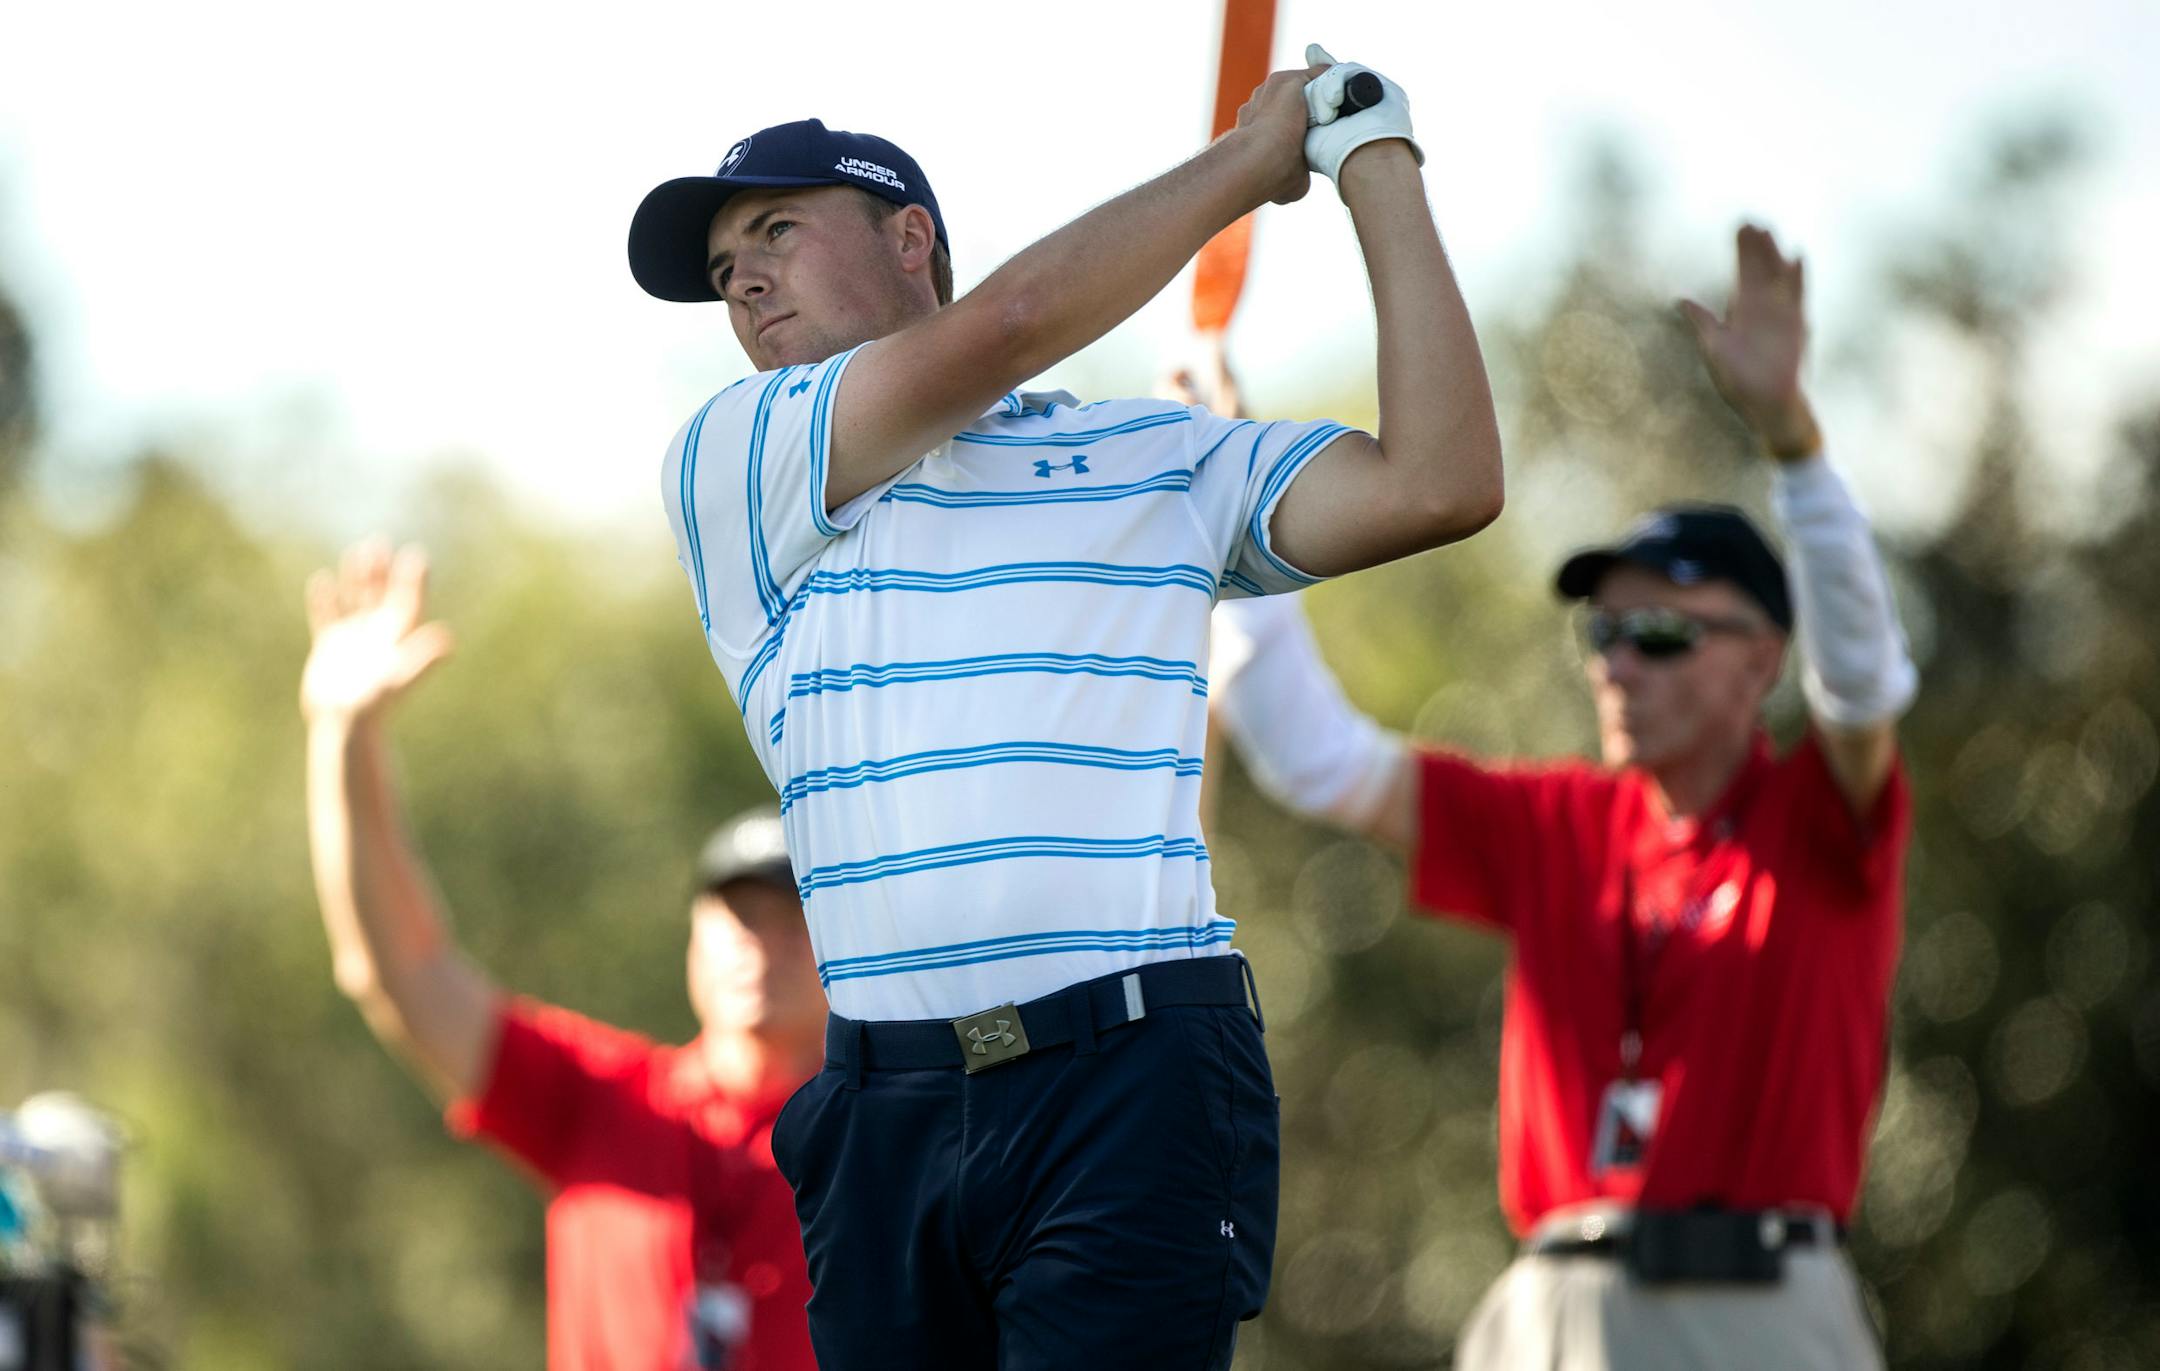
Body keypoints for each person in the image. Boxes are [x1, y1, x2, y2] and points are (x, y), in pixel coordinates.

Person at [625, 46, 1503, 1370]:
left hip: (1132, 1079)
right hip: (885, 1107)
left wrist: (1370, 155)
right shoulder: (742, 461)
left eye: (777, 231)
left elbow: (1440, 477)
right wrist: (1250, 164)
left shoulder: (1157, 457)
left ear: (909, 236)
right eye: (722, 267)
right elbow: (1017, 319)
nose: (740, 279)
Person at [1209, 225, 1915, 1370]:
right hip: (1557, 1315)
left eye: (1661, 632)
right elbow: (1313, 757)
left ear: (1761, 661)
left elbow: (1866, 679)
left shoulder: (1819, 819)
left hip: (1762, 1309)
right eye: (1604, 632)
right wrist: (1232, 515)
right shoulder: (1562, 826)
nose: (1618, 663)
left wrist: (1793, 447)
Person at [299, 541, 825, 1371]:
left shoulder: (890, 1134)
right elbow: (398, 965)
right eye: (738, 915)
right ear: (692, 940)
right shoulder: (603, 1101)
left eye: (794, 916)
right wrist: (343, 734)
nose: (763, 944)